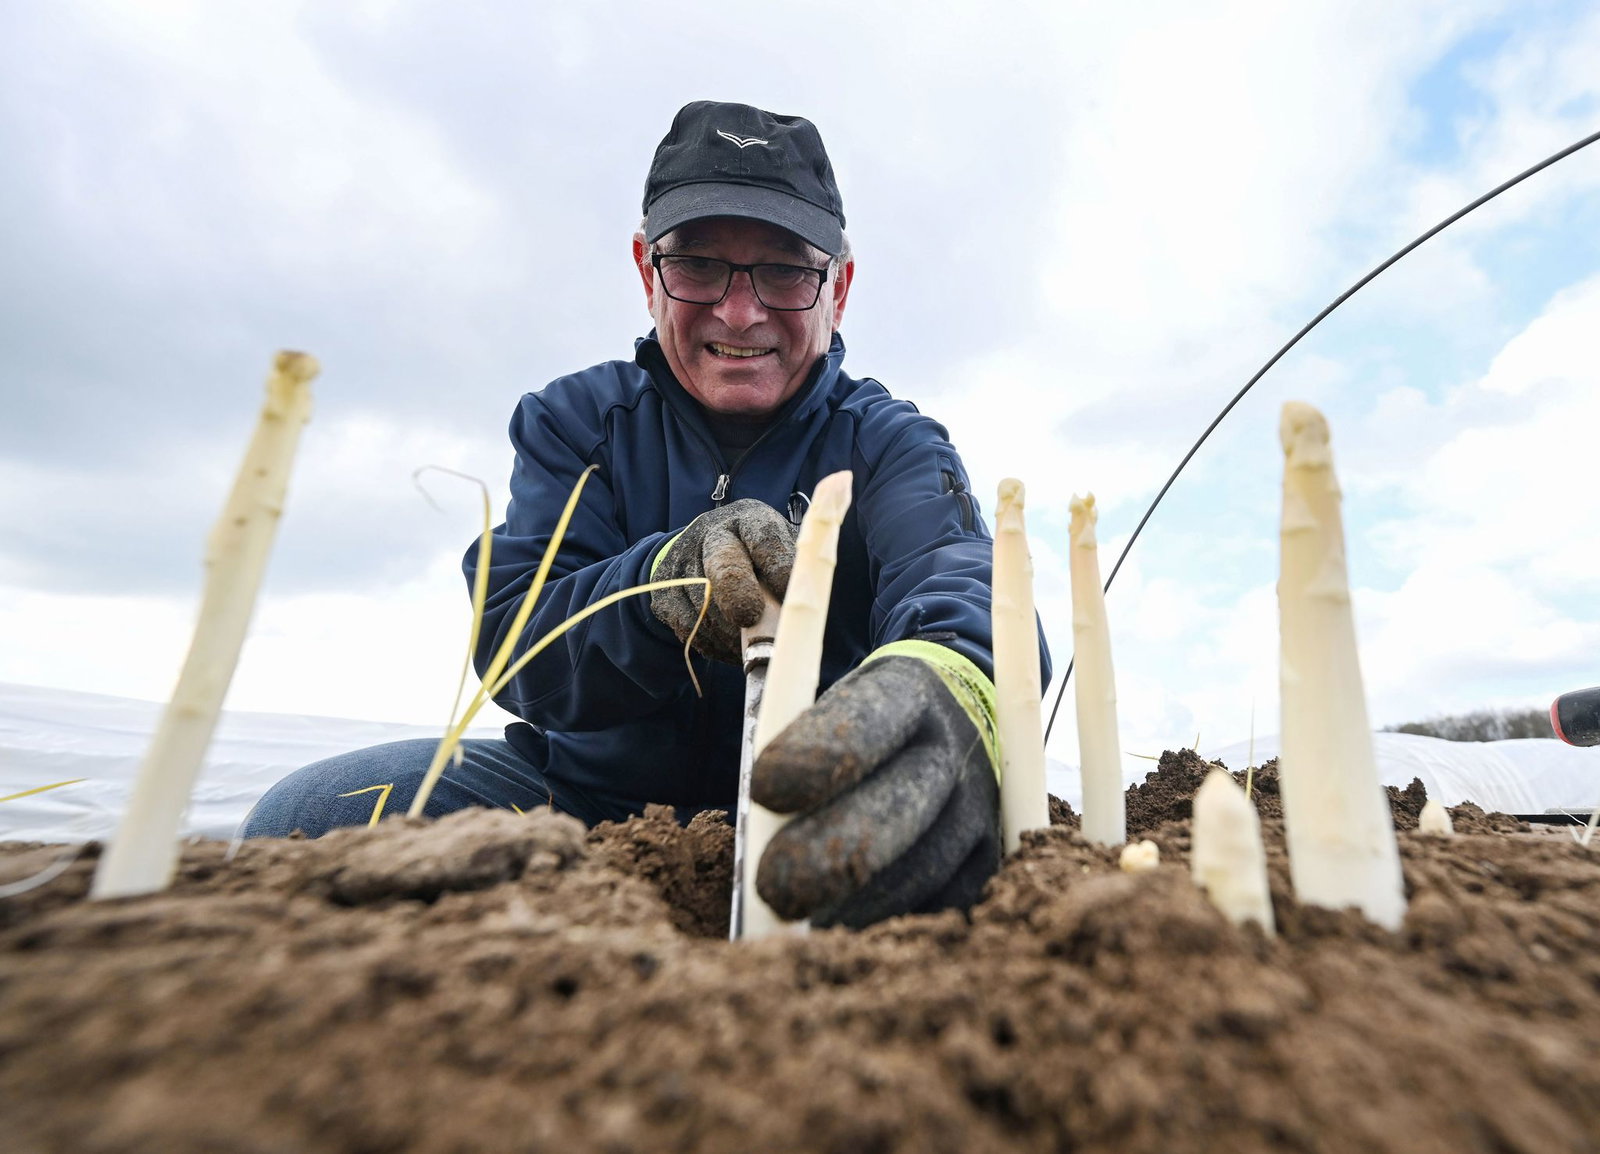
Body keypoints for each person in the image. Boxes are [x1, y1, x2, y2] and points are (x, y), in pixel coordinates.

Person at [244, 100, 1050, 928]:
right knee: (298, 821)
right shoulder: (575, 423)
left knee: (960, 830)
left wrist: (952, 677)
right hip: (578, 807)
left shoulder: (889, 444)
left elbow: (960, 578)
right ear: (645, 268)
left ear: (838, 287)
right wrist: (658, 584)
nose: (741, 313)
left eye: (785, 271)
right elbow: (518, 640)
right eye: (698, 266)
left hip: (820, 816)